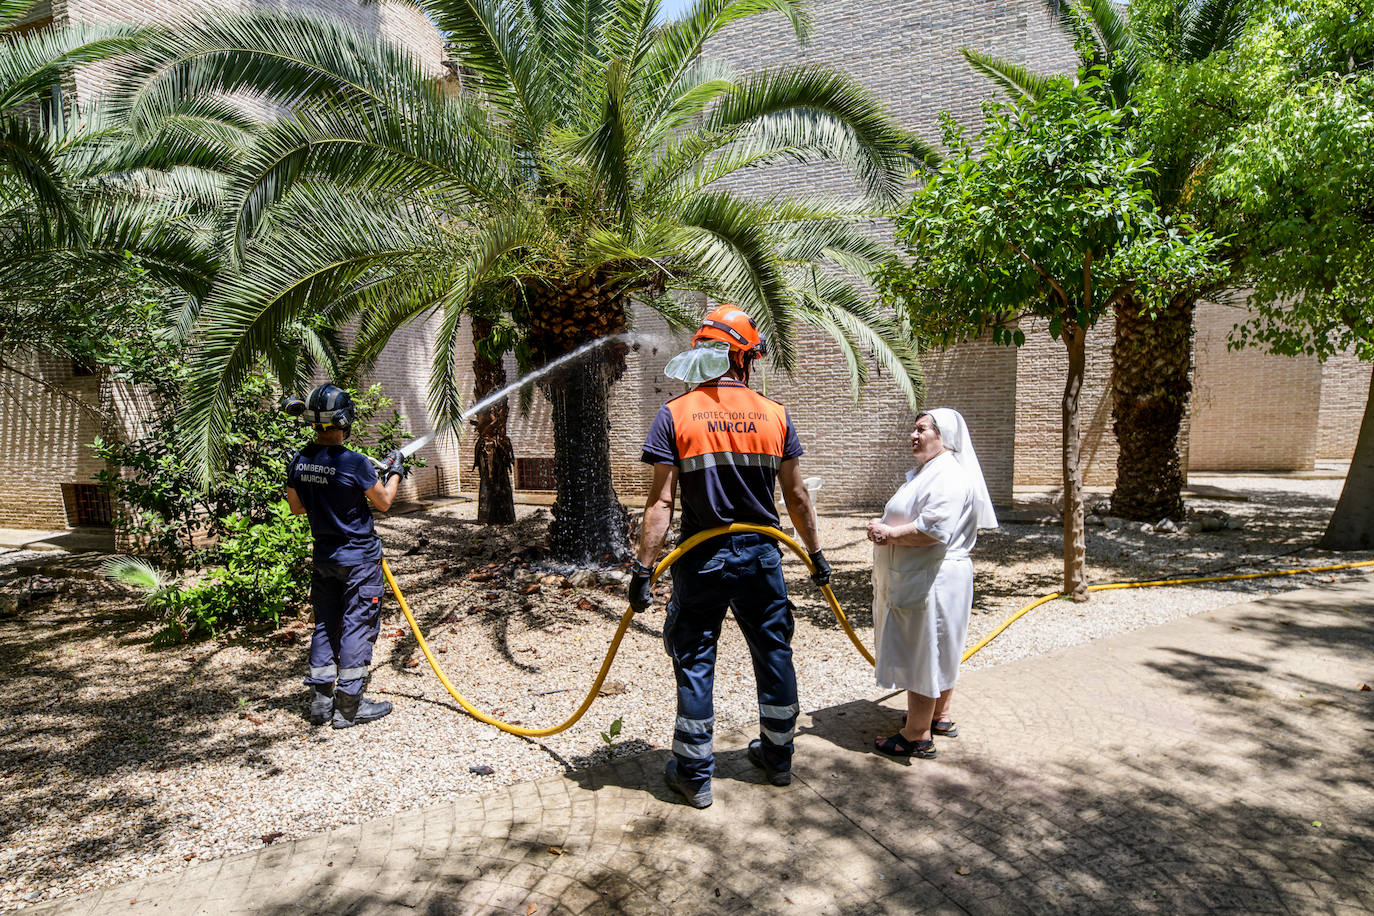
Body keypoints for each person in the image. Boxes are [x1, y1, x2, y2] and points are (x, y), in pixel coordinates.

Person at [630, 304, 831, 808]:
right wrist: (816, 553)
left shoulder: (674, 415)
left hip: (703, 559)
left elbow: (660, 503)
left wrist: (641, 569)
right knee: (774, 651)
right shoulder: (775, 414)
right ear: (743, 357)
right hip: (764, 555)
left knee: (696, 657)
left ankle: (695, 777)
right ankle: (779, 759)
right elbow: (798, 496)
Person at [866, 408, 997, 759]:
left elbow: (932, 530)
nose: (914, 434)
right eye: (914, 428)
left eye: (922, 429)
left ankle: (916, 735)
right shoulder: (933, 472)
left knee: (924, 650)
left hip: (932, 578)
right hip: (931, 576)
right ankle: (938, 715)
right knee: (940, 647)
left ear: (944, 436)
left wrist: (888, 533)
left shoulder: (948, 476)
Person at [284, 383, 407, 729]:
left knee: (325, 623)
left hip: (324, 558)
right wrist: (396, 471)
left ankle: (321, 702)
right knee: (357, 625)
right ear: (344, 420)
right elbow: (383, 502)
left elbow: (295, 508)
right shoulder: (354, 462)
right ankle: (350, 705)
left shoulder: (300, 460)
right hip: (359, 561)